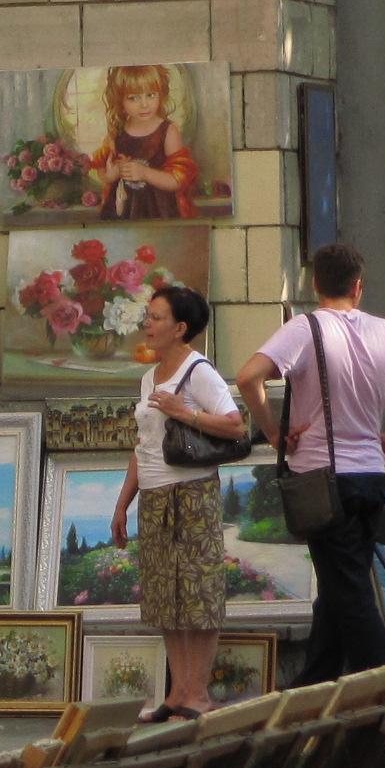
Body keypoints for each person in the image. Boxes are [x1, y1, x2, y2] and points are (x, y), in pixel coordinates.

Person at [236, 243, 385, 684]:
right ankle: (314, 685)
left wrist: (273, 432)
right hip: (371, 478)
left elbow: (248, 377)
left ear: (314, 283)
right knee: (340, 586)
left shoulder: (305, 329)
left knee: (350, 591)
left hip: (322, 480)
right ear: (358, 286)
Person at [111, 285, 244, 719]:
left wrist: (183, 411)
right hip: (154, 495)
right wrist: (122, 504)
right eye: (147, 316)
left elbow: (235, 426)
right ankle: (178, 692)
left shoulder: (198, 371)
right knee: (165, 595)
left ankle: (198, 693)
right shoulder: (149, 377)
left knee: (198, 591)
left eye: (157, 317)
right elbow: (143, 445)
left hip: (192, 493)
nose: (147, 324)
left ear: (180, 327)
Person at [90, 64, 202, 220]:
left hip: (158, 209)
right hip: (122, 209)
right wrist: (114, 173)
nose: (144, 104)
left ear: (161, 95)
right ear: (120, 100)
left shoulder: (167, 131)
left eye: (150, 95)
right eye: (133, 98)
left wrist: (144, 173)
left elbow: (177, 180)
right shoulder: (116, 133)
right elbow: (104, 174)